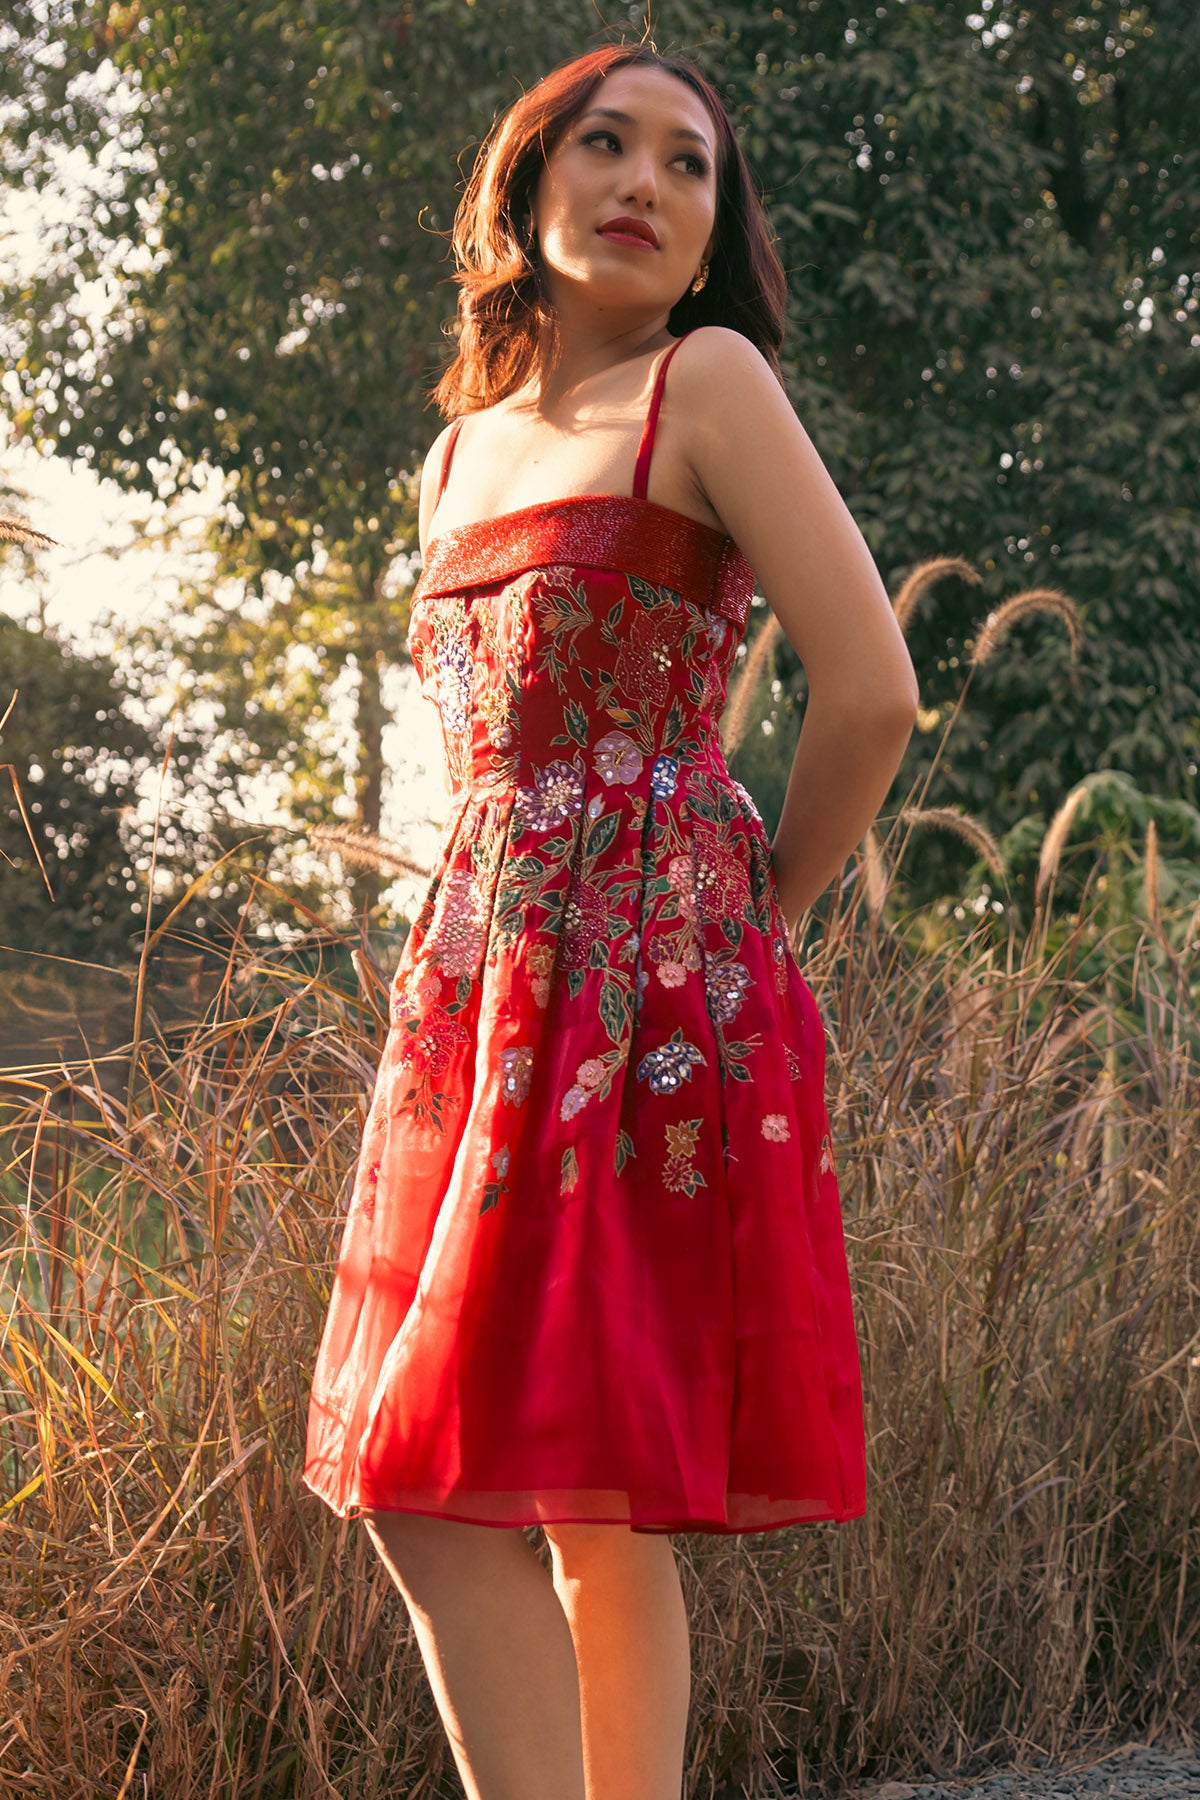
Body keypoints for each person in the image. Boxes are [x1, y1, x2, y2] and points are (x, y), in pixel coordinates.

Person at [303, 41, 918, 1800]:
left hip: (654, 990)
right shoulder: (451, 458)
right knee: (515, 1494)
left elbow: (870, 693)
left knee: (494, 1491)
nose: (648, 182)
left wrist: (743, 934)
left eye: (692, 164)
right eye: (607, 143)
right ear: (528, 180)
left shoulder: (705, 381)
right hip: (474, 991)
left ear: (719, 227)